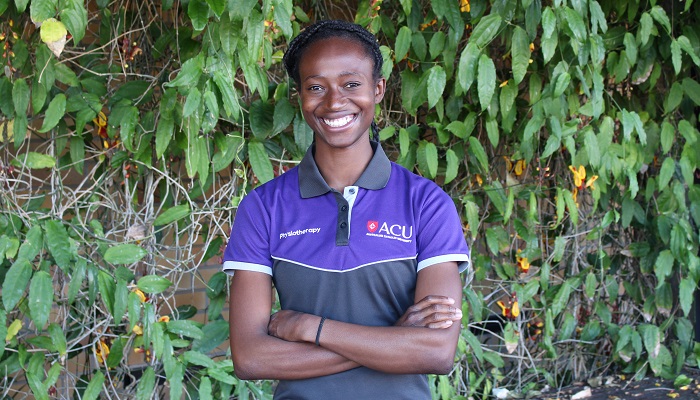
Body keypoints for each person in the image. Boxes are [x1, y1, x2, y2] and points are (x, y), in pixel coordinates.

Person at [223, 20, 471, 399]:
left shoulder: (426, 203)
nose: (334, 101)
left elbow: (435, 352)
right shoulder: (263, 208)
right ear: (299, 97)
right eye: (316, 87)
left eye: (351, 84)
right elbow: (251, 358)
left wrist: (311, 327)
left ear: (378, 89)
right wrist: (394, 339)